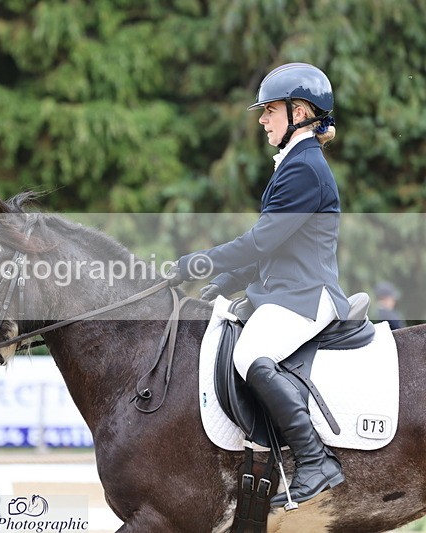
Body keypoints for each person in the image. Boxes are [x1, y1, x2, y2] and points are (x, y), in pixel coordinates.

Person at [168, 63, 348, 507]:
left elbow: (259, 241)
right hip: (285, 289)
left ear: (299, 112)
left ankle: (314, 461)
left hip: (305, 295)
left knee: (250, 353)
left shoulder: (304, 168)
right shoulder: (296, 163)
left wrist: (196, 263)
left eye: (270, 110)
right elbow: (275, 246)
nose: (263, 119)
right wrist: (225, 281)